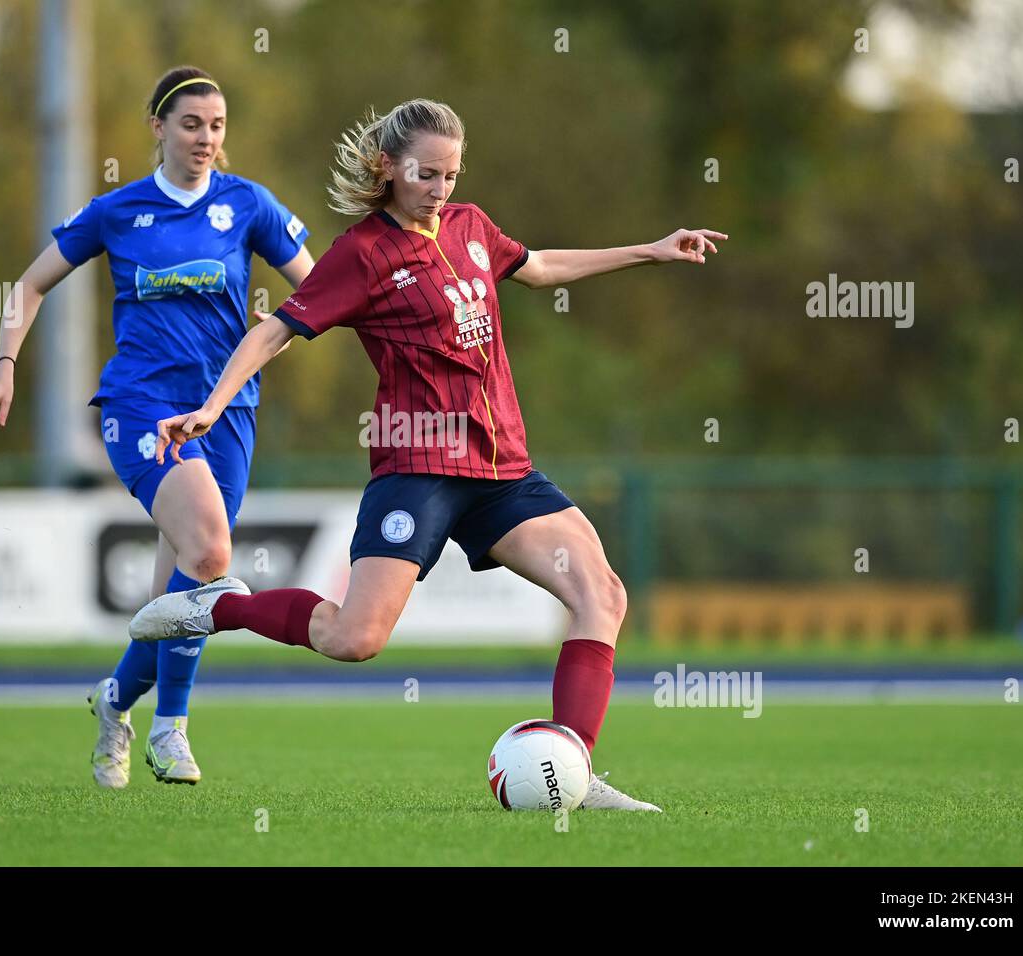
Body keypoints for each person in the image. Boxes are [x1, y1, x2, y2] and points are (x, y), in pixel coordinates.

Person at [127, 98, 726, 810]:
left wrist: (650, 250)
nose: (442, 190)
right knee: (354, 639)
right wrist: (212, 407)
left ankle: (572, 768)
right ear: (389, 168)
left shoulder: (471, 228)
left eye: (451, 175)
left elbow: (539, 268)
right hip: (417, 471)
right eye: (428, 174)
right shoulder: (362, 254)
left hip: (503, 471)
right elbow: (274, 333)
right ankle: (217, 608)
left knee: (603, 593)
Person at [0, 66, 313, 787]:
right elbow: (27, 285)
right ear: (157, 128)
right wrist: (4, 365)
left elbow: (316, 292)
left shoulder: (247, 204)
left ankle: (114, 703)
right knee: (213, 551)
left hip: (228, 412)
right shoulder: (118, 211)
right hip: (142, 407)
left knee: (177, 602)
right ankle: (171, 732)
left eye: (217, 126)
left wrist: (276, 324)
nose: (206, 139)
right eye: (191, 124)